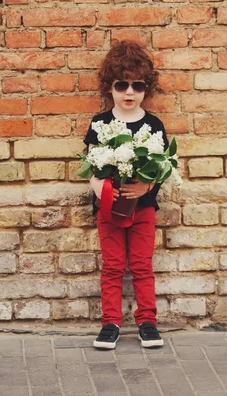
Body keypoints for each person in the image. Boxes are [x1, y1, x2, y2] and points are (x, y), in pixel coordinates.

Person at [83, 41, 169, 349]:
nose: (129, 92)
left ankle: (147, 322)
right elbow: (91, 165)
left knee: (142, 265)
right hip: (109, 208)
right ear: (110, 87)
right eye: (122, 85)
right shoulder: (101, 123)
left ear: (147, 88)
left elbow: (162, 166)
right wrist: (105, 193)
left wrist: (145, 187)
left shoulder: (153, 125)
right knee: (114, 265)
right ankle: (110, 323)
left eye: (137, 85)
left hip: (143, 208)